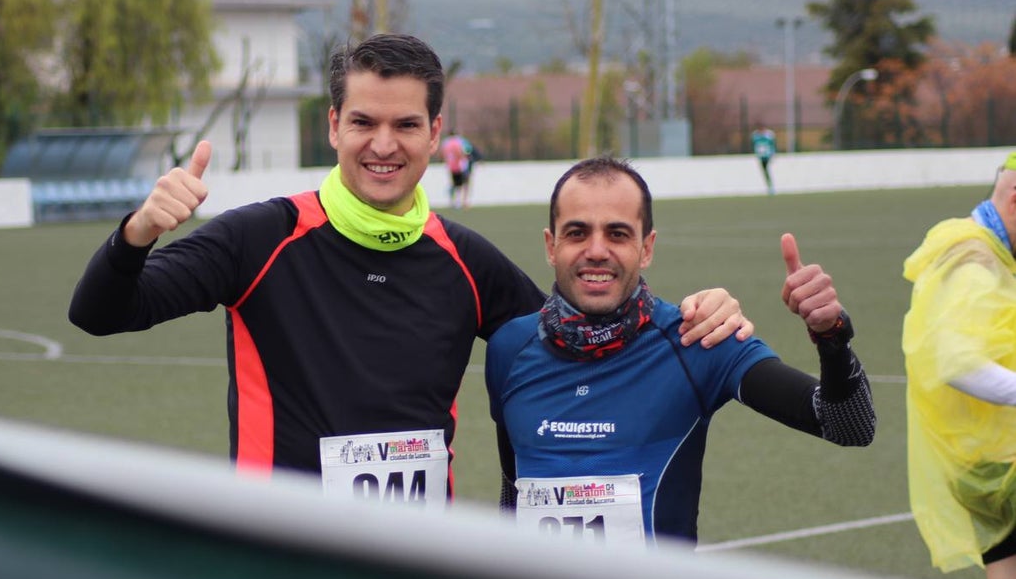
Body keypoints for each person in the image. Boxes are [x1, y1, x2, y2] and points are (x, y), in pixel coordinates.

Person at [69, 33, 750, 509]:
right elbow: (99, 313)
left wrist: (698, 312)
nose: (383, 144)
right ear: (333, 125)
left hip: (413, 571)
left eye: (405, 124)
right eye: (363, 121)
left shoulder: (464, 260)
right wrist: (139, 232)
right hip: (279, 565)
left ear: (435, 132)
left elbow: (581, 337)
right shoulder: (260, 238)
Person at [486, 156, 876, 548]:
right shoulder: (510, 348)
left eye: (618, 234)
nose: (597, 251)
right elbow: (513, 491)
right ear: (551, 246)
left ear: (647, 247)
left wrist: (832, 336)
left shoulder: (698, 338)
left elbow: (850, 425)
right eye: (577, 233)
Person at [902, 152, 1016, 579]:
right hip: (995, 460)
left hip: (985, 458)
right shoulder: (974, 259)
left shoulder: (984, 248)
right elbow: (957, 362)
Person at [441, 130, 481, 209]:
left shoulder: (445, 143)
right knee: (465, 183)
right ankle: (464, 202)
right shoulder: (459, 141)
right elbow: (465, 151)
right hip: (460, 166)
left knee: (455, 184)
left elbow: (443, 154)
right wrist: (464, 158)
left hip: (451, 167)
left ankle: (454, 202)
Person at [751, 124, 777, 196]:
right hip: (761, 156)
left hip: (768, 156)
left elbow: (773, 144)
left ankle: (770, 187)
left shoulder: (769, 135)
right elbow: (754, 145)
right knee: (764, 171)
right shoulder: (755, 135)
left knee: (766, 170)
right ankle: (769, 187)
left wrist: (773, 154)